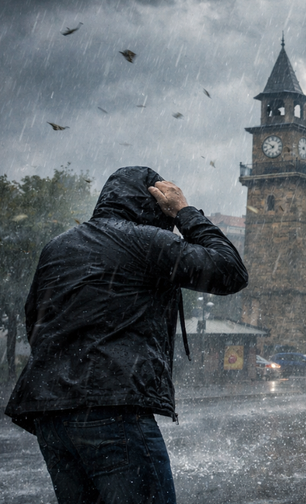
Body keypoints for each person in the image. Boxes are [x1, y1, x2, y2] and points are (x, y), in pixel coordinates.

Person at [4, 167, 248, 504]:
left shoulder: (57, 246)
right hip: (111, 410)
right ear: (154, 204)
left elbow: (36, 321)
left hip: (51, 416)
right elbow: (231, 271)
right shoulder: (146, 242)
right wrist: (184, 212)